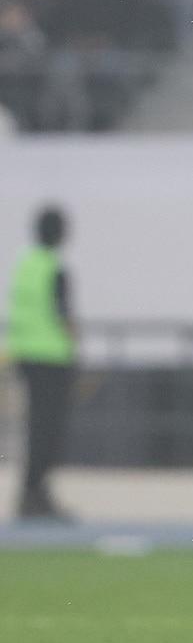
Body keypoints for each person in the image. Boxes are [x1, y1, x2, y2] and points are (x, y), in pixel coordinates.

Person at [7, 206, 77, 520]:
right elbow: (64, 318)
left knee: (35, 428)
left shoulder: (25, 266)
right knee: (49, 430)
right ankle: (37, 494)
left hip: (24, 355)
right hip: (52, 358)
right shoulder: (54, 269)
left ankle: (30, 494)